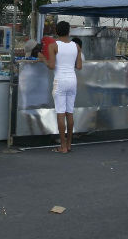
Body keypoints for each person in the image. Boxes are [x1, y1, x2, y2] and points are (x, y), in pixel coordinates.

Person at [39, 21, 82, 154]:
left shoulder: (54, 45)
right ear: (69, 31)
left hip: (60, 80)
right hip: (72, 80)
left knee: (60, 114)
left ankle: (62, 146)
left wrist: (42, 59)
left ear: (56, 32)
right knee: (70, 113)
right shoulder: (76, 46)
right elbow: (79, 66)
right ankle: (69, 144)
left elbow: (52, 66)